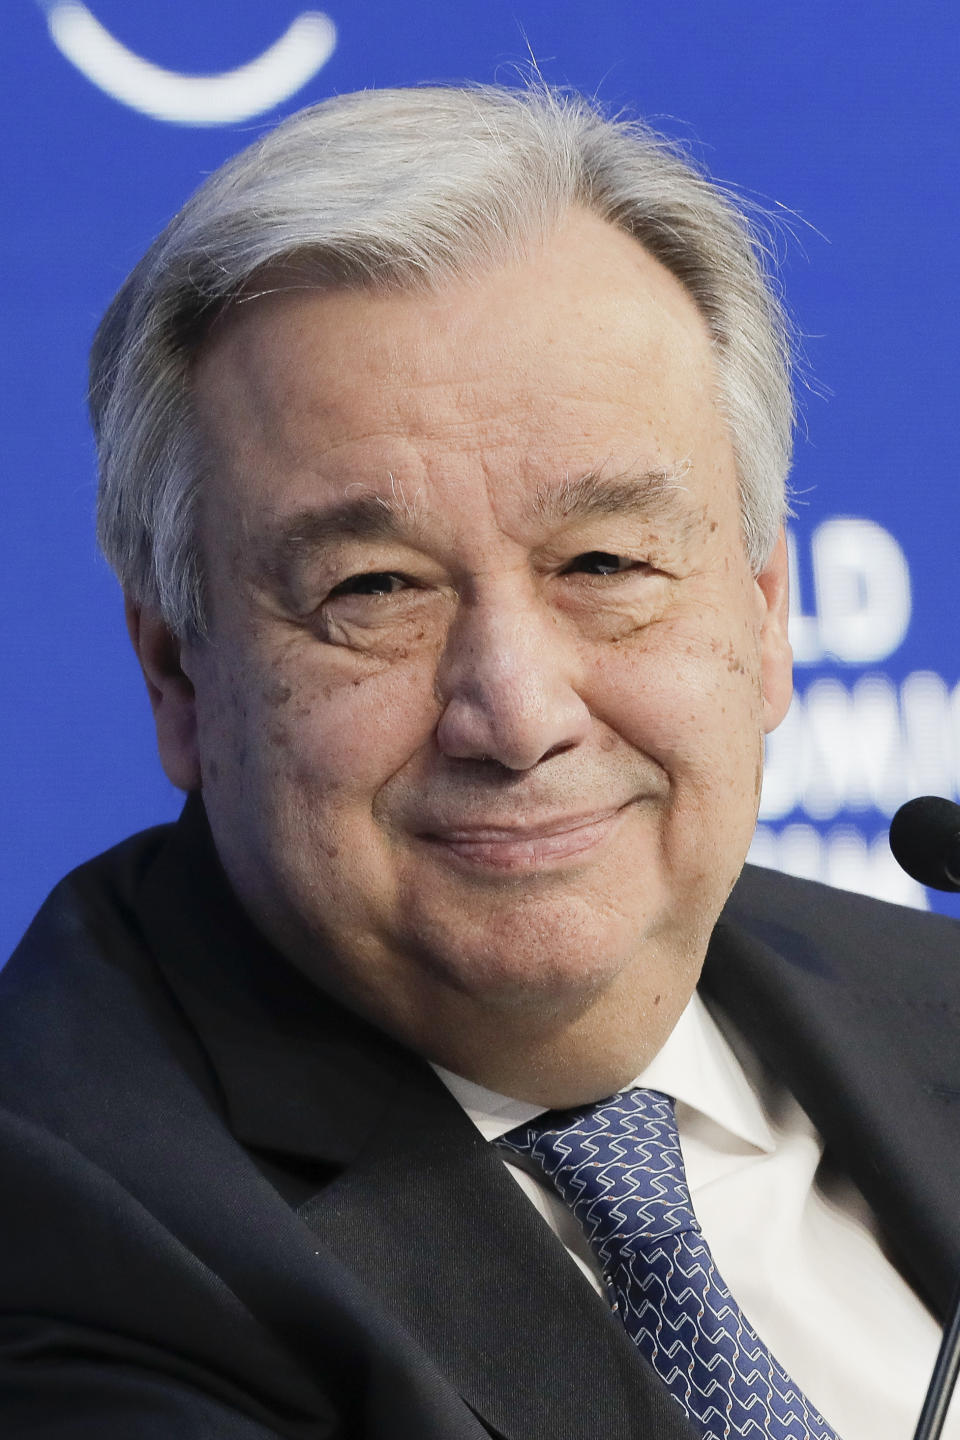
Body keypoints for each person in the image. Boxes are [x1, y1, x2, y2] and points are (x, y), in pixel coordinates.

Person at [2, 83, 959, 1440]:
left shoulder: (940, 1004)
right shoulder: (64, 1232)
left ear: (762, 614)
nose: (515, 714)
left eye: (606, 564)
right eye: (375, 591)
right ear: (177, 675)